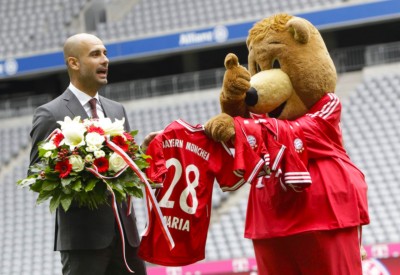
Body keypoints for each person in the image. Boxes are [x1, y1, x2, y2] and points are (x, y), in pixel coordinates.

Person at [29, 33, 151, 275]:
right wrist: (85, 177)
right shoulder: (50, 113)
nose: (105, 60)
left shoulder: (117, 109)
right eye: (95, 54)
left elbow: (128, 171)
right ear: (74, 63)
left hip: (127, 237)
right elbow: (37, 175)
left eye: (105, 53)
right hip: (83, 241)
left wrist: (142, 155)